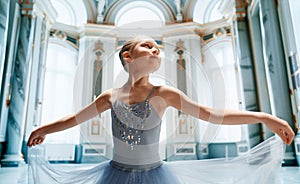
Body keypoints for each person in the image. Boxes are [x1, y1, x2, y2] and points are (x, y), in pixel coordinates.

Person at [27, 35, 295, 184]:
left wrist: (264, 117)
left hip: (156, 175)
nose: (155, 49)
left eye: (158, 47)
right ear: (128, 57)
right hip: (114, 174)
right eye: (147, 46)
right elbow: (74, 118)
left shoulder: (164, 94)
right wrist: (44, 129)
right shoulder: (110, 96)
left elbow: (212, 114)